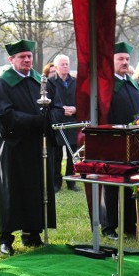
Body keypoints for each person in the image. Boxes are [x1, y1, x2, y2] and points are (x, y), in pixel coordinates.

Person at [0, 39, 63, 255]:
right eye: (22, 57)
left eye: (29, 56)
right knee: (12, 192)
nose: (27, 60)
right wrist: (36, 121)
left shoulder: (43, 82)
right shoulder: (3, 83)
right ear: (11, 59)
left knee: (37, 188)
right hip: (14, 146)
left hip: (39, 146)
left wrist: (49, 119)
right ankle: (6, 237)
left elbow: (58, 108)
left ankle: (33, 233)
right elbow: (5, 115)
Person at [101, 42, 139, 238]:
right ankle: (109, 226)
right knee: (111, 186)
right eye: (120, 59)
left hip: (134, 142)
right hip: (112, 142)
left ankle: (130, 223)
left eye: (127, 59)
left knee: (132, 183)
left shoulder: (134, 84)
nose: (125, 62)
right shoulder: (106, 86)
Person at [48, 54, 79, 191]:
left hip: (72, 122)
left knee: (73, 154)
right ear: (56, 67)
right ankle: (56, 182)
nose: (65, 66)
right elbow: (48, 103)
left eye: (67, 64)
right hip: (57, 123)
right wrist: (61, 110)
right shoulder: (50, 83)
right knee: (57, 155)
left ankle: (71, 182)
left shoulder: (75, 82)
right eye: (62, 64)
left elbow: (81, 101)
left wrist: (75, 109)